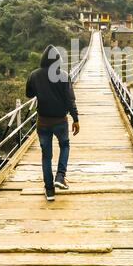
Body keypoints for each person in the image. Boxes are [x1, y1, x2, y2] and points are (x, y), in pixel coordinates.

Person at [26, 45, 80, 201]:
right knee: (65, 146)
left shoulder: (34, 75)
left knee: (46, 156)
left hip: (42, 122)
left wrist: (41, 90)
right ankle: (60, 177)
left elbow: (29, 94)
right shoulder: (64, 75)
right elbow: (70, 100)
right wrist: (75, 119)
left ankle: (49, 191)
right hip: (60, 121)